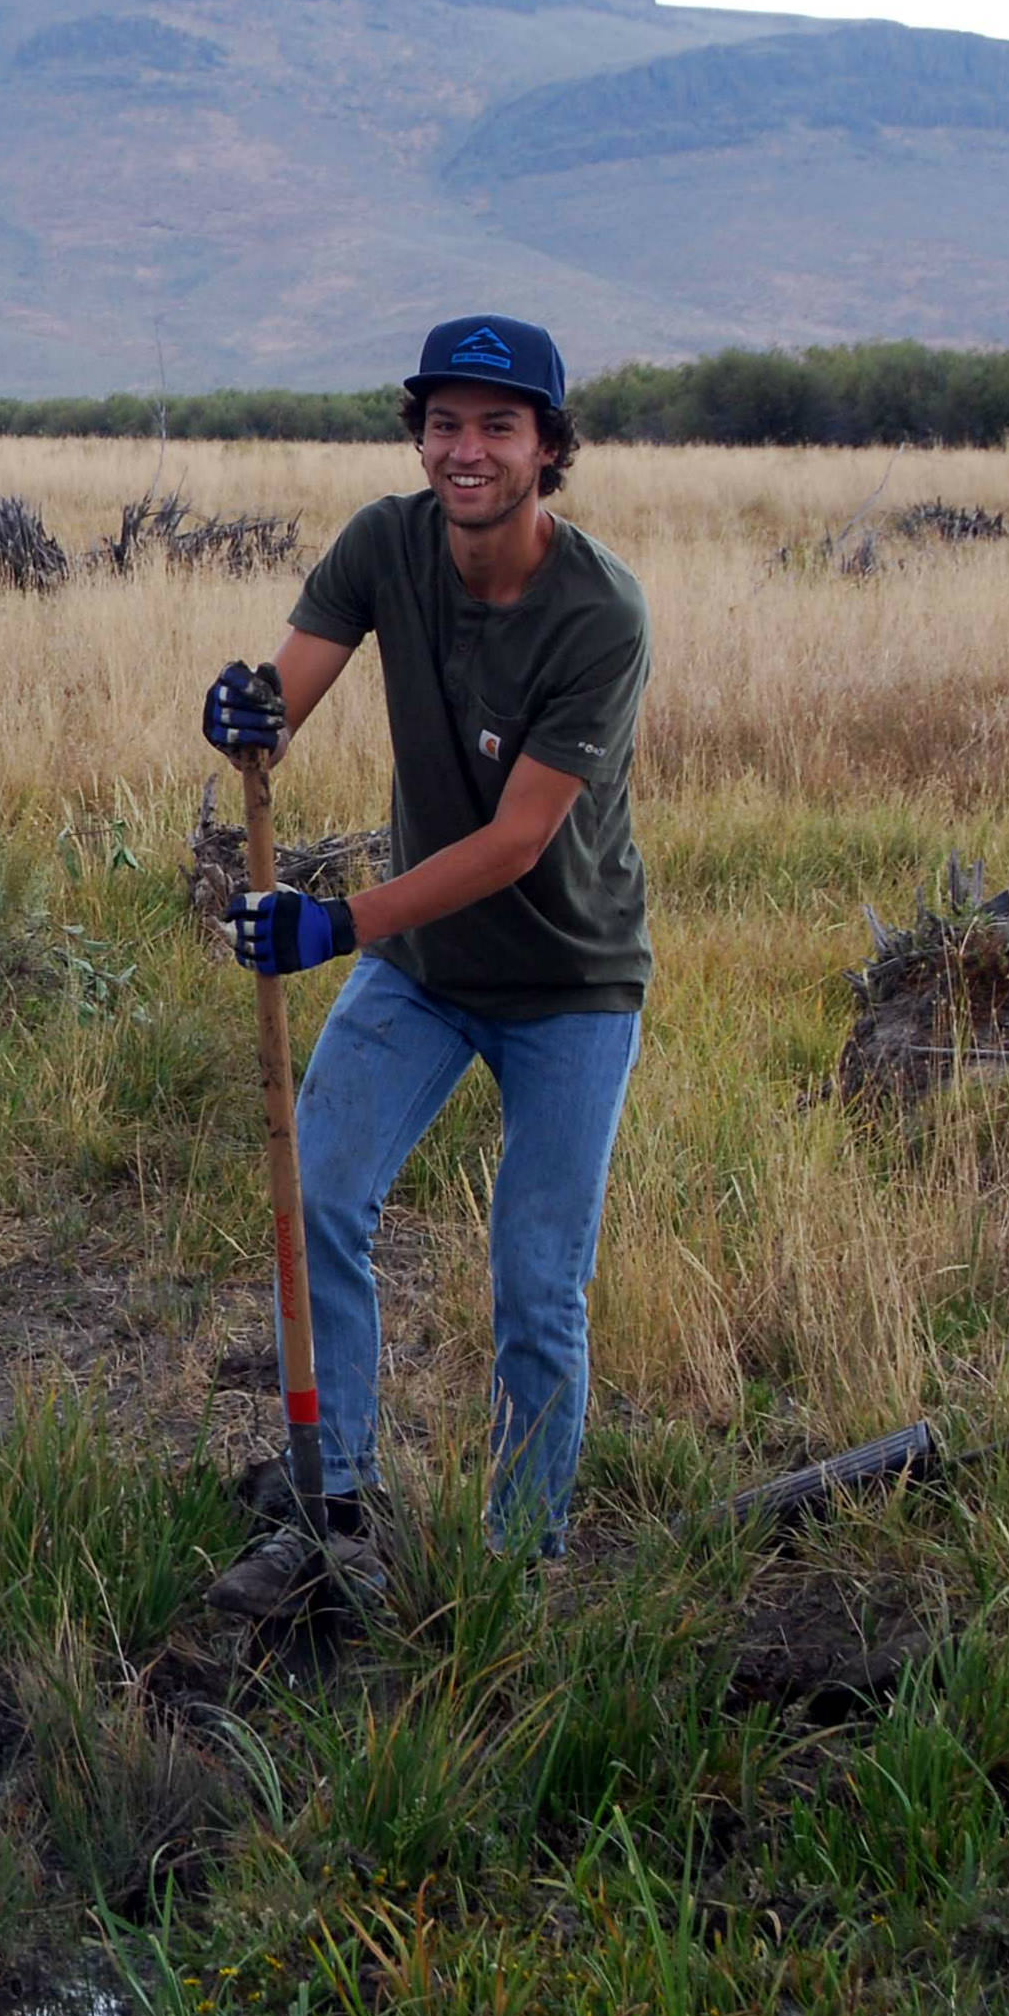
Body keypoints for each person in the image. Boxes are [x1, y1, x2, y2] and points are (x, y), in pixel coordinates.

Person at [198, 313, 650, 1617]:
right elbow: (278, 698)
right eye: (443, 423)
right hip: (424, 971)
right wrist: (241, 712)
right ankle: (331, 1506)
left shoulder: (598, 611)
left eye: (496, 426)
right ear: (419, 436)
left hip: (569, 982)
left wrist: (335, 925)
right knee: (319, 1196)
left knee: (532, 1280)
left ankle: (522, 1566)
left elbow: (516, 841)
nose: (465, 450)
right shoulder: (380, 544)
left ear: (546, 447)